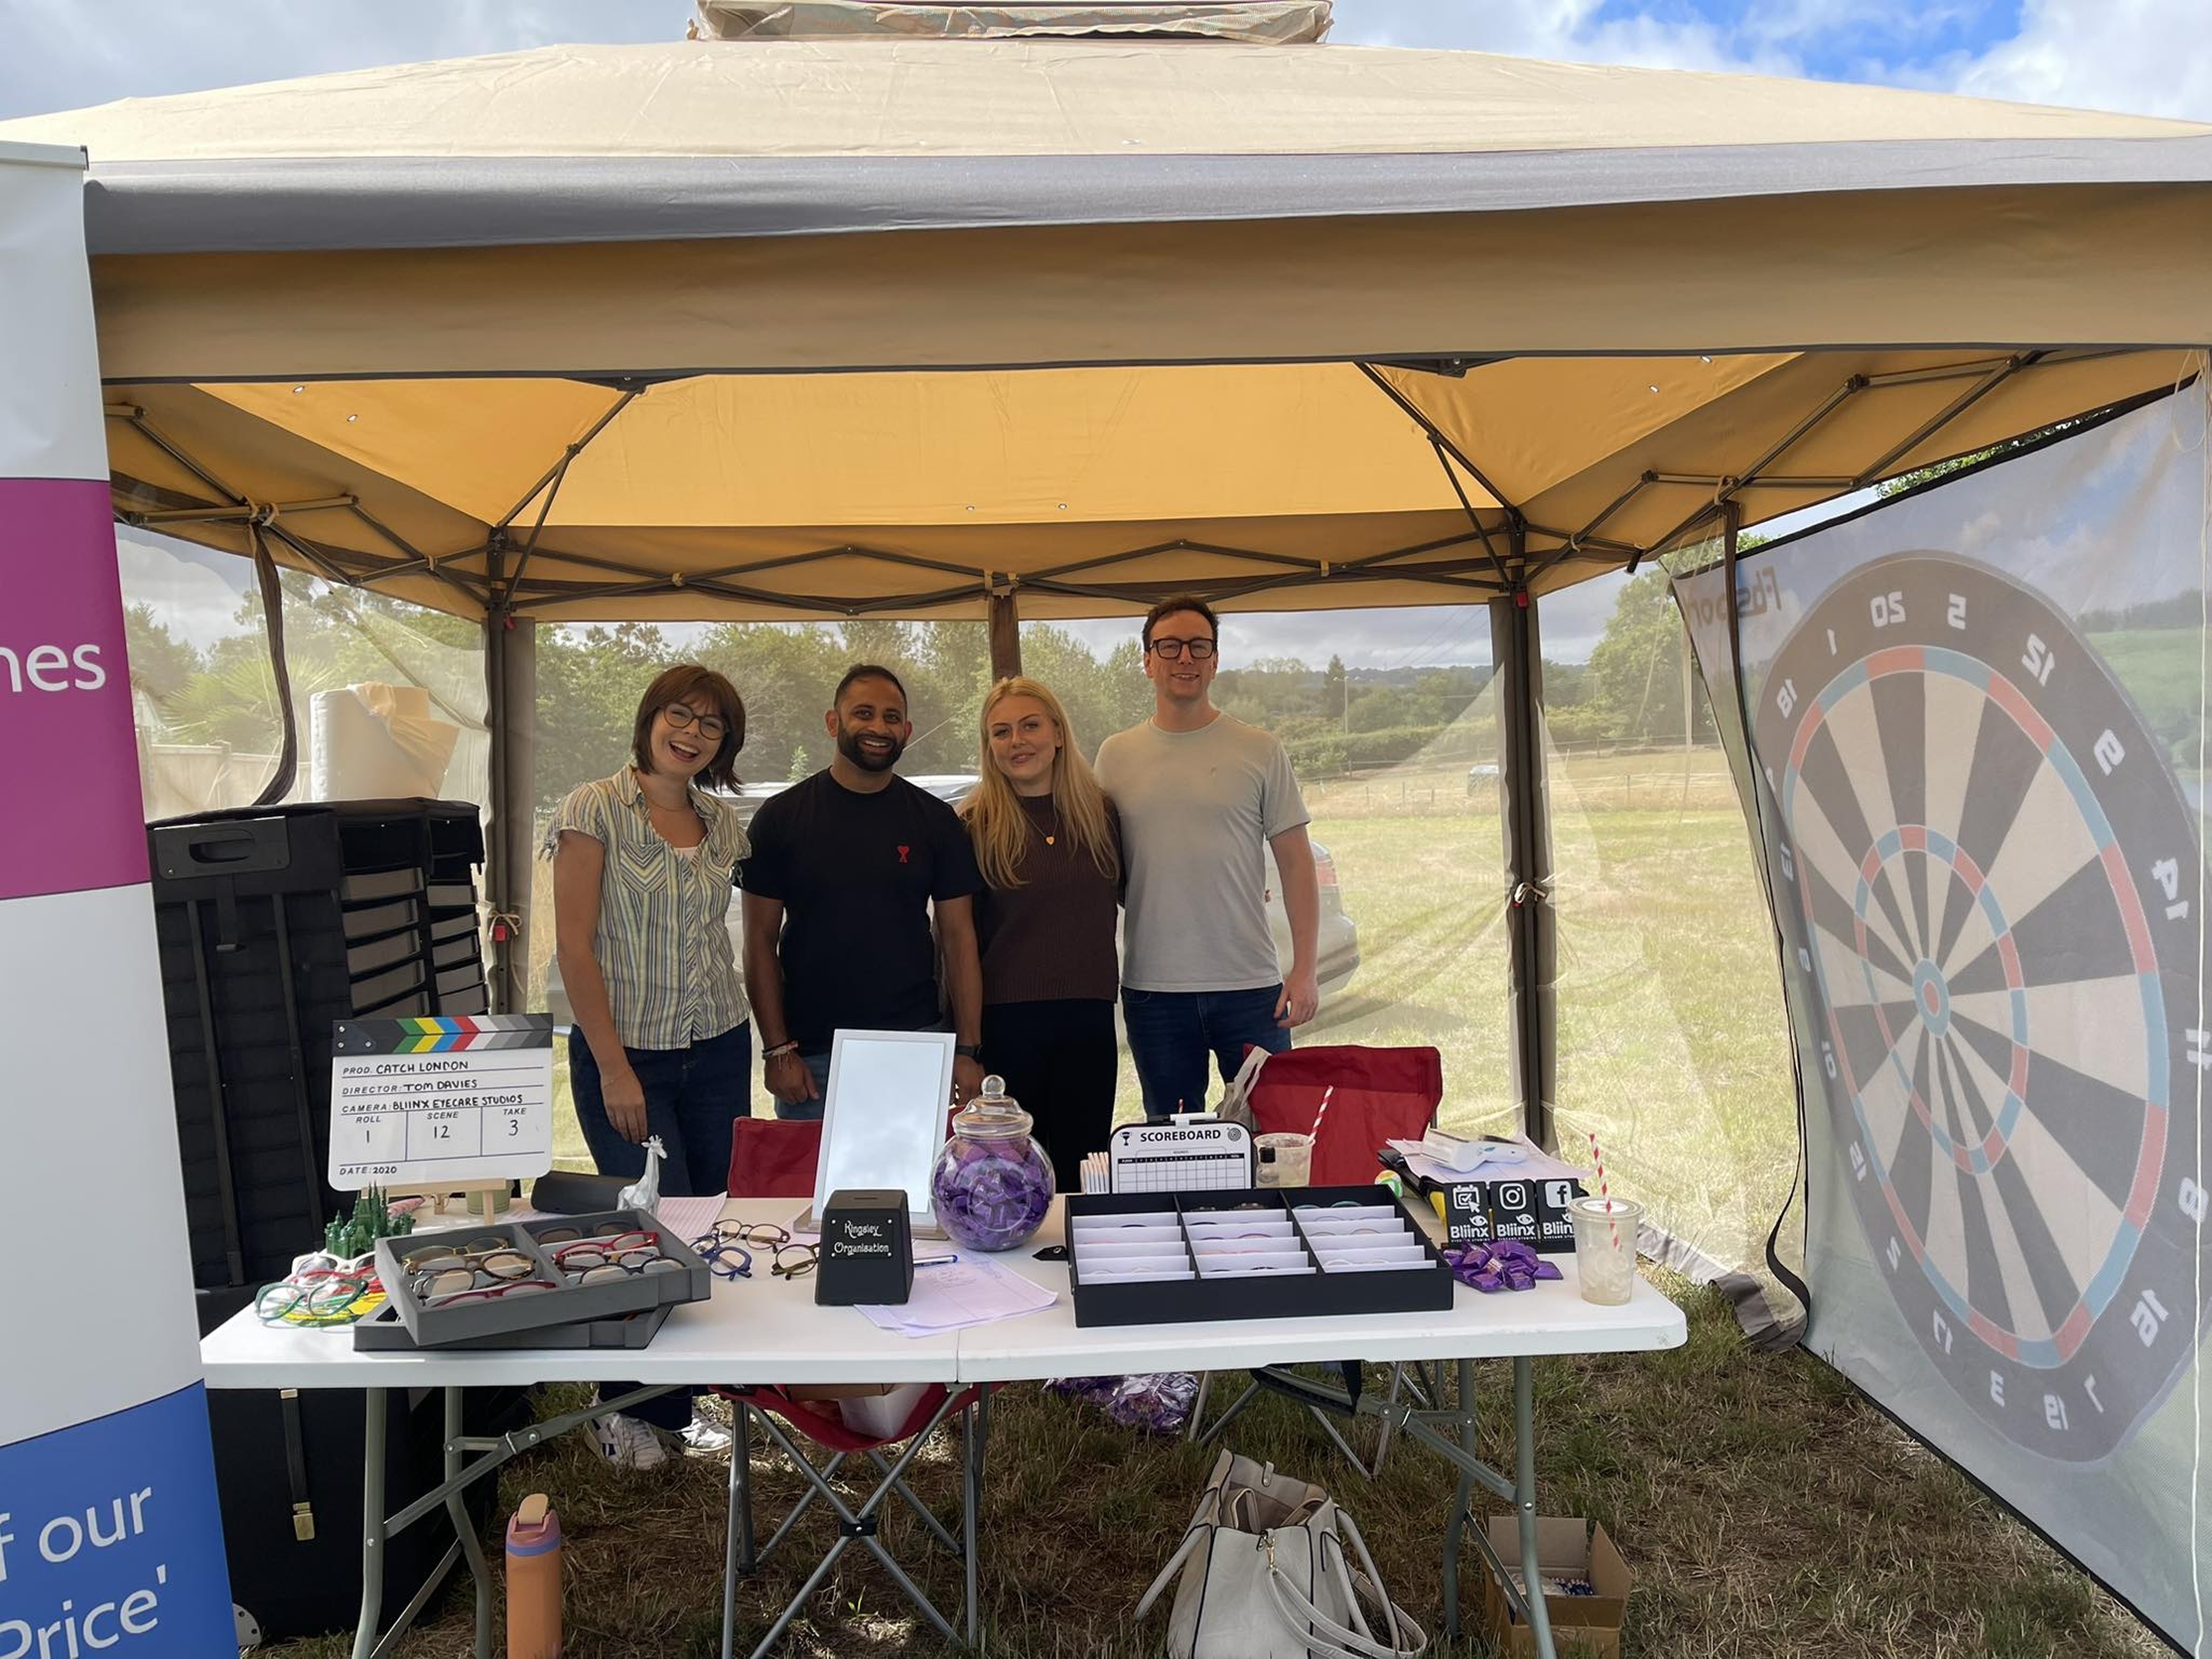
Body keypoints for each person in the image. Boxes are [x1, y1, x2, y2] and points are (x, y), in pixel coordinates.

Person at [546, 662, 751, 1469]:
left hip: (718, 1043)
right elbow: (573, 947)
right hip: (628, 1051)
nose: (692, 733)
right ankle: (622, 1410)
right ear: (650, 718)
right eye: (681, 715)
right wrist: (614, 1071)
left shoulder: (723, 823)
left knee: (706, 1220)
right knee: (646, 1231)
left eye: (711, 725)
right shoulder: (592, 807)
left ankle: (682, 1402)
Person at [1095, 595, 1321, 1120]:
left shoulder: (1259, 749)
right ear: (1148, 661)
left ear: (1215, 660)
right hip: (1155, 991)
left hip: (1250, 987)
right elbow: (1100, 868)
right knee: (1174, 1144)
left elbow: (1296, 863)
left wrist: (1305, 970)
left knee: (1271, 1136)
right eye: (1169, 646)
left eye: (1199, 646)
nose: (1185, 658)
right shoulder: (1115, 756)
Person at [739, 664, 988, 1117]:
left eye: (892, 718)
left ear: (907, 731)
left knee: (918, 1186)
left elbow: (959, 938)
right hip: (811, 1056)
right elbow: (758, 942)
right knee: (813, 1190)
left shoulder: (935, 821)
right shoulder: (780, 819)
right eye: (864, 713)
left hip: (915, 1043)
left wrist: (967, 1048)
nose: (879, 728)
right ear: (833, 722)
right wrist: (776, 1050)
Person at [959, 676, 1122, 1191]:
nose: (1017, 741)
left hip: (1089, 1018)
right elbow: (955, 941)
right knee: (1011, 1177)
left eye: (1030, 726)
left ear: (1057, 733)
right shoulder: (971, 824)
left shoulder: (1101, 814)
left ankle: (1075, 1268)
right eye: (1001, 732)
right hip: (1007, 1027)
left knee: (1082, 1168)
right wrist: (965, 1044)